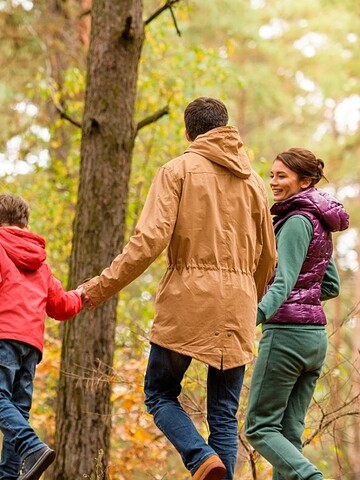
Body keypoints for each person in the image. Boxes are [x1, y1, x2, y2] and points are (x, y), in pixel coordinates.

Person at [81, 97, 277, 480]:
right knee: (222, 412)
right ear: (226, 128)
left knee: (159, 392)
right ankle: (212, 464)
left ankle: (199, 458)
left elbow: (147, 242)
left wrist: (98, 288)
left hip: (189, 301)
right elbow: (267, 257)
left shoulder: (178, 171)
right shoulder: (254, 182)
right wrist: (247, 300)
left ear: (189, 132)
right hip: (238, 305)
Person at [245, 148, 349, 480]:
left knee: (259, 428)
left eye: (282, 176)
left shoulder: (295, 222)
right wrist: (304, 295)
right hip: (314, 341)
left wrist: (250, 318)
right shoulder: (319, 222)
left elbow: (284, 283)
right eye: (272, 174)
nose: (273, 182)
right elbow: (330, 285)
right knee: (288, 435)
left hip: (286, 336)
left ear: (305, 181)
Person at [0, 194, 83, 480]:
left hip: (3, 337)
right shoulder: (41, 264)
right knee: (18, 410)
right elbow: (61, 305)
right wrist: (81, 295)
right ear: (25, 222)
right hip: (31, 346)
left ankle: (31, 446)